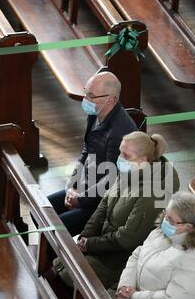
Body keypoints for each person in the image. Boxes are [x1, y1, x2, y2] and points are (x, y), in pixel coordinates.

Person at [56, 131, 180, 289]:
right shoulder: (129, 171)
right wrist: (86, 237)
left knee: (62, 280)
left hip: (120, 260)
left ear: (143, 160)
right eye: (121, 152)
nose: (120, 158)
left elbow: (128, 238)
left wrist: (91, 245)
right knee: (58, 262)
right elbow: (104, 204)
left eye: (126, 155)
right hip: (103, 245)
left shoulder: (154, 193)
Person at [48, 72, 137, 237]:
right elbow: (86, 151)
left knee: (56, 230)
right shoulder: (95, 114)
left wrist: (80, 200)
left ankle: (54, 261)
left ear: (110, 99)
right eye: (86, 93)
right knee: (42, 210)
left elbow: (112, 179)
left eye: (91, 95)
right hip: (85, 186)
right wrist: (72, 185)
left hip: (102, 202)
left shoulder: (120, 132)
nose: (85, 99)